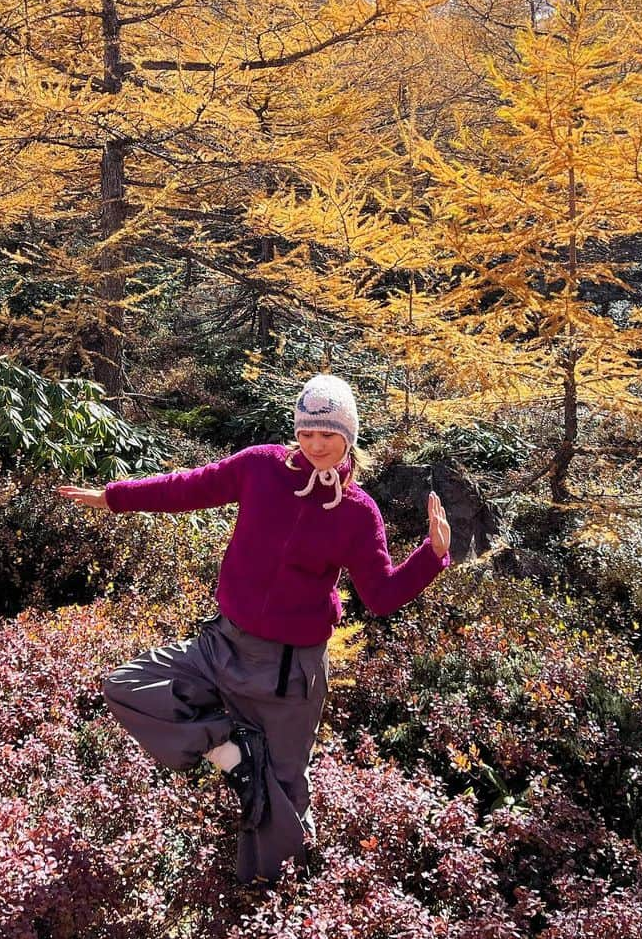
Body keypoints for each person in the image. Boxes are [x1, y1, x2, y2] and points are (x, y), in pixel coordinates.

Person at [57, 373, 452, 884]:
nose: (315, 445)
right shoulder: (261, 467)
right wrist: (115, 498)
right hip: (223, 645)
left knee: (282, 795)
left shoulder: (358, 514)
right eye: (307, 432)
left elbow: (380, 596)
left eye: (327, 435)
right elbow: (190, 488)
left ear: (349, 435)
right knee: (127, 687)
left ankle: (267, 898)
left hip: (290, 675)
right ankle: (230, 749)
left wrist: (432, 555)